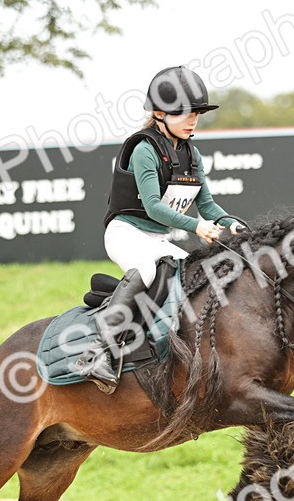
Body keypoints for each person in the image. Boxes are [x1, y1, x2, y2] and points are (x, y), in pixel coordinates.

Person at [73, 66, 246, 393]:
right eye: (183, 112)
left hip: (157, 238)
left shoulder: (192, 154)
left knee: (199, 275)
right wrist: (197, 226)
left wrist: (229, 223)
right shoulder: (144, 149)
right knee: (148, 271)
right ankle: (97, 352)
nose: (193, 119)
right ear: (158, 113)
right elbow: (153, 206)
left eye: (196, 112)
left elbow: (207, 206)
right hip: (126, 232)